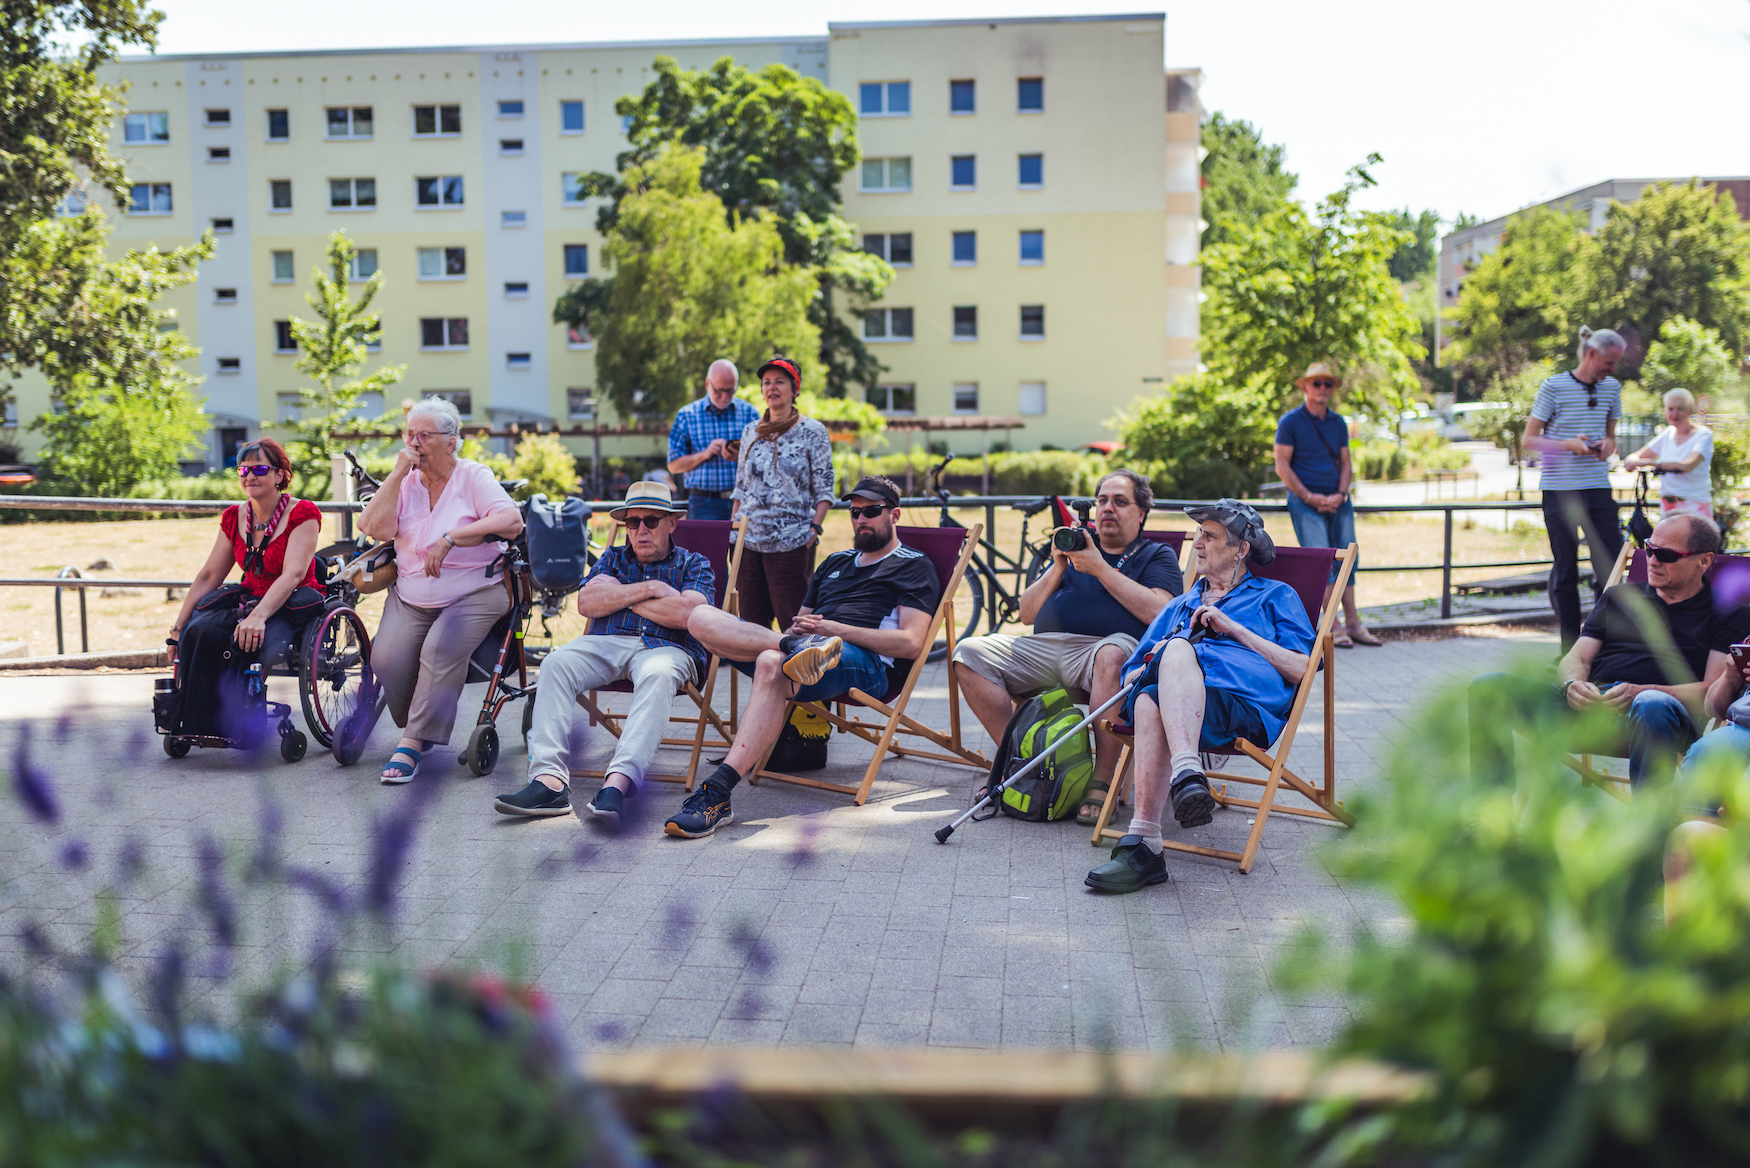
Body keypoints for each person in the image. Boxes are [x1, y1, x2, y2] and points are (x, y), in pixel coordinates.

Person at [665, 476, 939, 839]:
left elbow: (911, 643)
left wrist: (834, 630)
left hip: (868, 663)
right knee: (700, 617)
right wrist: (797, 634)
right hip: (806, 649)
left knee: (769, 663)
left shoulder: (913, 565)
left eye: (872, 511)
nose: (861, 519)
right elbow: (800, 618)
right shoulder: (835, 562)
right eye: (855, 512)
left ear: (895, 514)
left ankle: (717, 793)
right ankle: (792, 650)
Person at [1085, 500, 1315, 894]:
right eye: (1197, 535)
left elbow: (1299, 668)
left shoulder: (1276, 595)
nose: (1197, 545)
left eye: (1209, 536)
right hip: (1183, 709)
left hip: (1243, 707)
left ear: (1241, 549)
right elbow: (1131, 677)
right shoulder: (1180, 606)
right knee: (1147, 697)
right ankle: (1154, 830)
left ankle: (1173, 796)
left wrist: (1235, 630)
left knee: (1161, 682)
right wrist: (1157, 659)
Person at [953, 469, 1183, 823]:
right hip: (1046, 647)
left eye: (1120, 502)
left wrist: (1101, 569)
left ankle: (1100, 781)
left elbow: (1160, 611)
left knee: (1112, 656)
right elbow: (1026, 613)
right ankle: (1025, 765)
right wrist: (1059, 564)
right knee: (968, 652)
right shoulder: (1076, 548)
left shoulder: (1156, 554)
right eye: (1102, 501)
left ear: (1141, 513)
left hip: (1105, 649)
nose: (1108, 508)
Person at [1469, 514, 1750, 790]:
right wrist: (1572, 684)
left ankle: (1646, 829)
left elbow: (1711, 691)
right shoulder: (1619, 597)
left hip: (1658, 717)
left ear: (1704, 560)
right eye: (1649, 549)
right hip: (1590, 707)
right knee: (1488, 687)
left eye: (1666, 555)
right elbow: (1578, 657)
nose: (1652, 560)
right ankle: (1491, 817)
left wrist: (1642, 691)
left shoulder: (1727, 613)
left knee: (1652, 702)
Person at [493, 481, 714, 822]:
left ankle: (618, 784)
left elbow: (688, 616)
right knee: (555, 663)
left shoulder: (694, 563)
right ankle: (548, 782)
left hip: (668, 647)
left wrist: (621, 594)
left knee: (658, 673)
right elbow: (587, 603)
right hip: (608, 642)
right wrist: (654, 590)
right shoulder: (612, 557)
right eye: (632, 522)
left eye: (651, 521)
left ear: (672, 523)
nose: (640, 530)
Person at [356, 396, 525, 784]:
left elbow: (511, 520)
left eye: (424, 435)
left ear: (451, 442)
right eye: (409, 434)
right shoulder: (406, 480)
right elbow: (374, 527)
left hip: (475, 591)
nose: (414, 443)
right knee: (384, 661)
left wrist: (451, 538)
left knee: (439, 649)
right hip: (412, 594)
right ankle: (423, 721)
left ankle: (413, 741)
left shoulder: (472, 476)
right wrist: (396, 475)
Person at [167, 437, 325, 740]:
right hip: (249, 597)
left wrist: (259, 617)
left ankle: (238, 721)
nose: (250, 476)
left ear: (280, 475)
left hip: (289, 602)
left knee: (247, 640)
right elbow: (209, 574)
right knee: (198, 631)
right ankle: (197, 723)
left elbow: (293, 574)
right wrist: (178, 625)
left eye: (261, 469)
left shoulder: (303, 514)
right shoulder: (234, 517)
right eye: (243, 470)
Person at [1526, 326, 1627, 652]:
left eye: (1616, 364)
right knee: (1566, 571)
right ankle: (1568, 651)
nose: (1612, 369)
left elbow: (1611, 435)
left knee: (1611, 569)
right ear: (1591, 354)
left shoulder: (1612, 388)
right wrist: (1568, 445)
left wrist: (1608, 444)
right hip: (1560, 490)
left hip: (1598, 487)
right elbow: (1529, 442)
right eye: (1609, 362)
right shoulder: (1553, 386)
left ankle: (1598, 646)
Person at [1273, 362, 1378, 648]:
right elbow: (1282, 466)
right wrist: (1309, 497)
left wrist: (1341, 494)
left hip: (1338, 499)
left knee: (1349, 558)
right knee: (1322, 561)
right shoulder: (1290, 422)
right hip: (1305, 501)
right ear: (1305, 387)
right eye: (1316, 383)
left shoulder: (1338, 423)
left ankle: (1354, 622)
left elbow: (1346, 463)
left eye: (1327, 384)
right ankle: (1333, 625)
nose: (1322, 388)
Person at [732, 356, 835, 633]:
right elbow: (740, 486)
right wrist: (733, 531)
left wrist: (814, 528)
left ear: (795, 388)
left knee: (795, 623)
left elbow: (825, 488)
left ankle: (798, 676)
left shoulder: (812, 431)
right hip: (748, 543)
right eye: (766, 382)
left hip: (791, 543)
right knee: (752, 626)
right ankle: (760, 677)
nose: (772, 387)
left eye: (780, 381)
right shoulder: (750, 431)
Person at [666, 359, 758, 521]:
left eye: (730, 391)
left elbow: (764, 462)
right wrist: (705, 454)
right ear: (707, 384)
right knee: (704, 548)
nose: (724, 397)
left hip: (744, 500)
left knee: (744, 548)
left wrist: (739, 457)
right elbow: (673, 466)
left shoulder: (750, 413)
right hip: (703, 503)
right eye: (719, 390)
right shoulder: (687, 416)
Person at [1624, 387, 1714, 519]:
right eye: (1671, 409)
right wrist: (1632, 460)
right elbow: (1636, 455)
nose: (1675, 413)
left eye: (1680, 409)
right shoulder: (1668, 433)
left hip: (1695, 504)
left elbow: (1687, 466)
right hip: (1669, 506)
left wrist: (1652, 463)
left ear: (1690, 410)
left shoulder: (1703, 434)